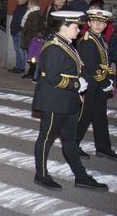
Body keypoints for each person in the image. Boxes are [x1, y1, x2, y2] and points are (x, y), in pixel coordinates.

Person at [32, 10, 107, 191]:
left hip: (69, 101)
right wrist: (76, 84)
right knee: (46, 138)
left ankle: (81, 176)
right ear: (64, 28)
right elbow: (52, 77)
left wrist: (78, 83)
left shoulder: (67, 44)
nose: (78, 30)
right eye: (75, 27)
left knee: (70, 140)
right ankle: (41, 175)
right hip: (54, 102)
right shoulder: (53, 47)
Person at [76, 9, 117, 161]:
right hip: (90, 84)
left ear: (106, 25)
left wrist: (111, 78)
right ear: (89, 23)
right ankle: (72, 146)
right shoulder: (87, 41)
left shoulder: (101, 39)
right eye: (95, 22)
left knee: (100, 116)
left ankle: (103, 148)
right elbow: (93, 66)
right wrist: (106, 82)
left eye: (102, 22)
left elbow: (106, 62)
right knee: (84, 117)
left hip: (99, 84)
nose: (99, 25)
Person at [20, 0, 42, 79]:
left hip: (31, 39)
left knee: (32, 57)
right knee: (30, 57)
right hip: (29, 38)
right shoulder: (32, 13)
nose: (27, 5)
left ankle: (32, 73)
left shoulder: (34, 14)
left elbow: (34, 27)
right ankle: (31, 72)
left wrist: (25, 32)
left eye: (29, 4)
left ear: (33, 5)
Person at [10, 0, 29, 73]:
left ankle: (21, 67)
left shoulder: (26, 9)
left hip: (20, 32)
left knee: (21, 50)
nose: (17, 0)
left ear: (24, 0)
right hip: (14, 31)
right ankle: (17, 66)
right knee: (17, 50)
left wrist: (20, 29)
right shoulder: (18, 7)